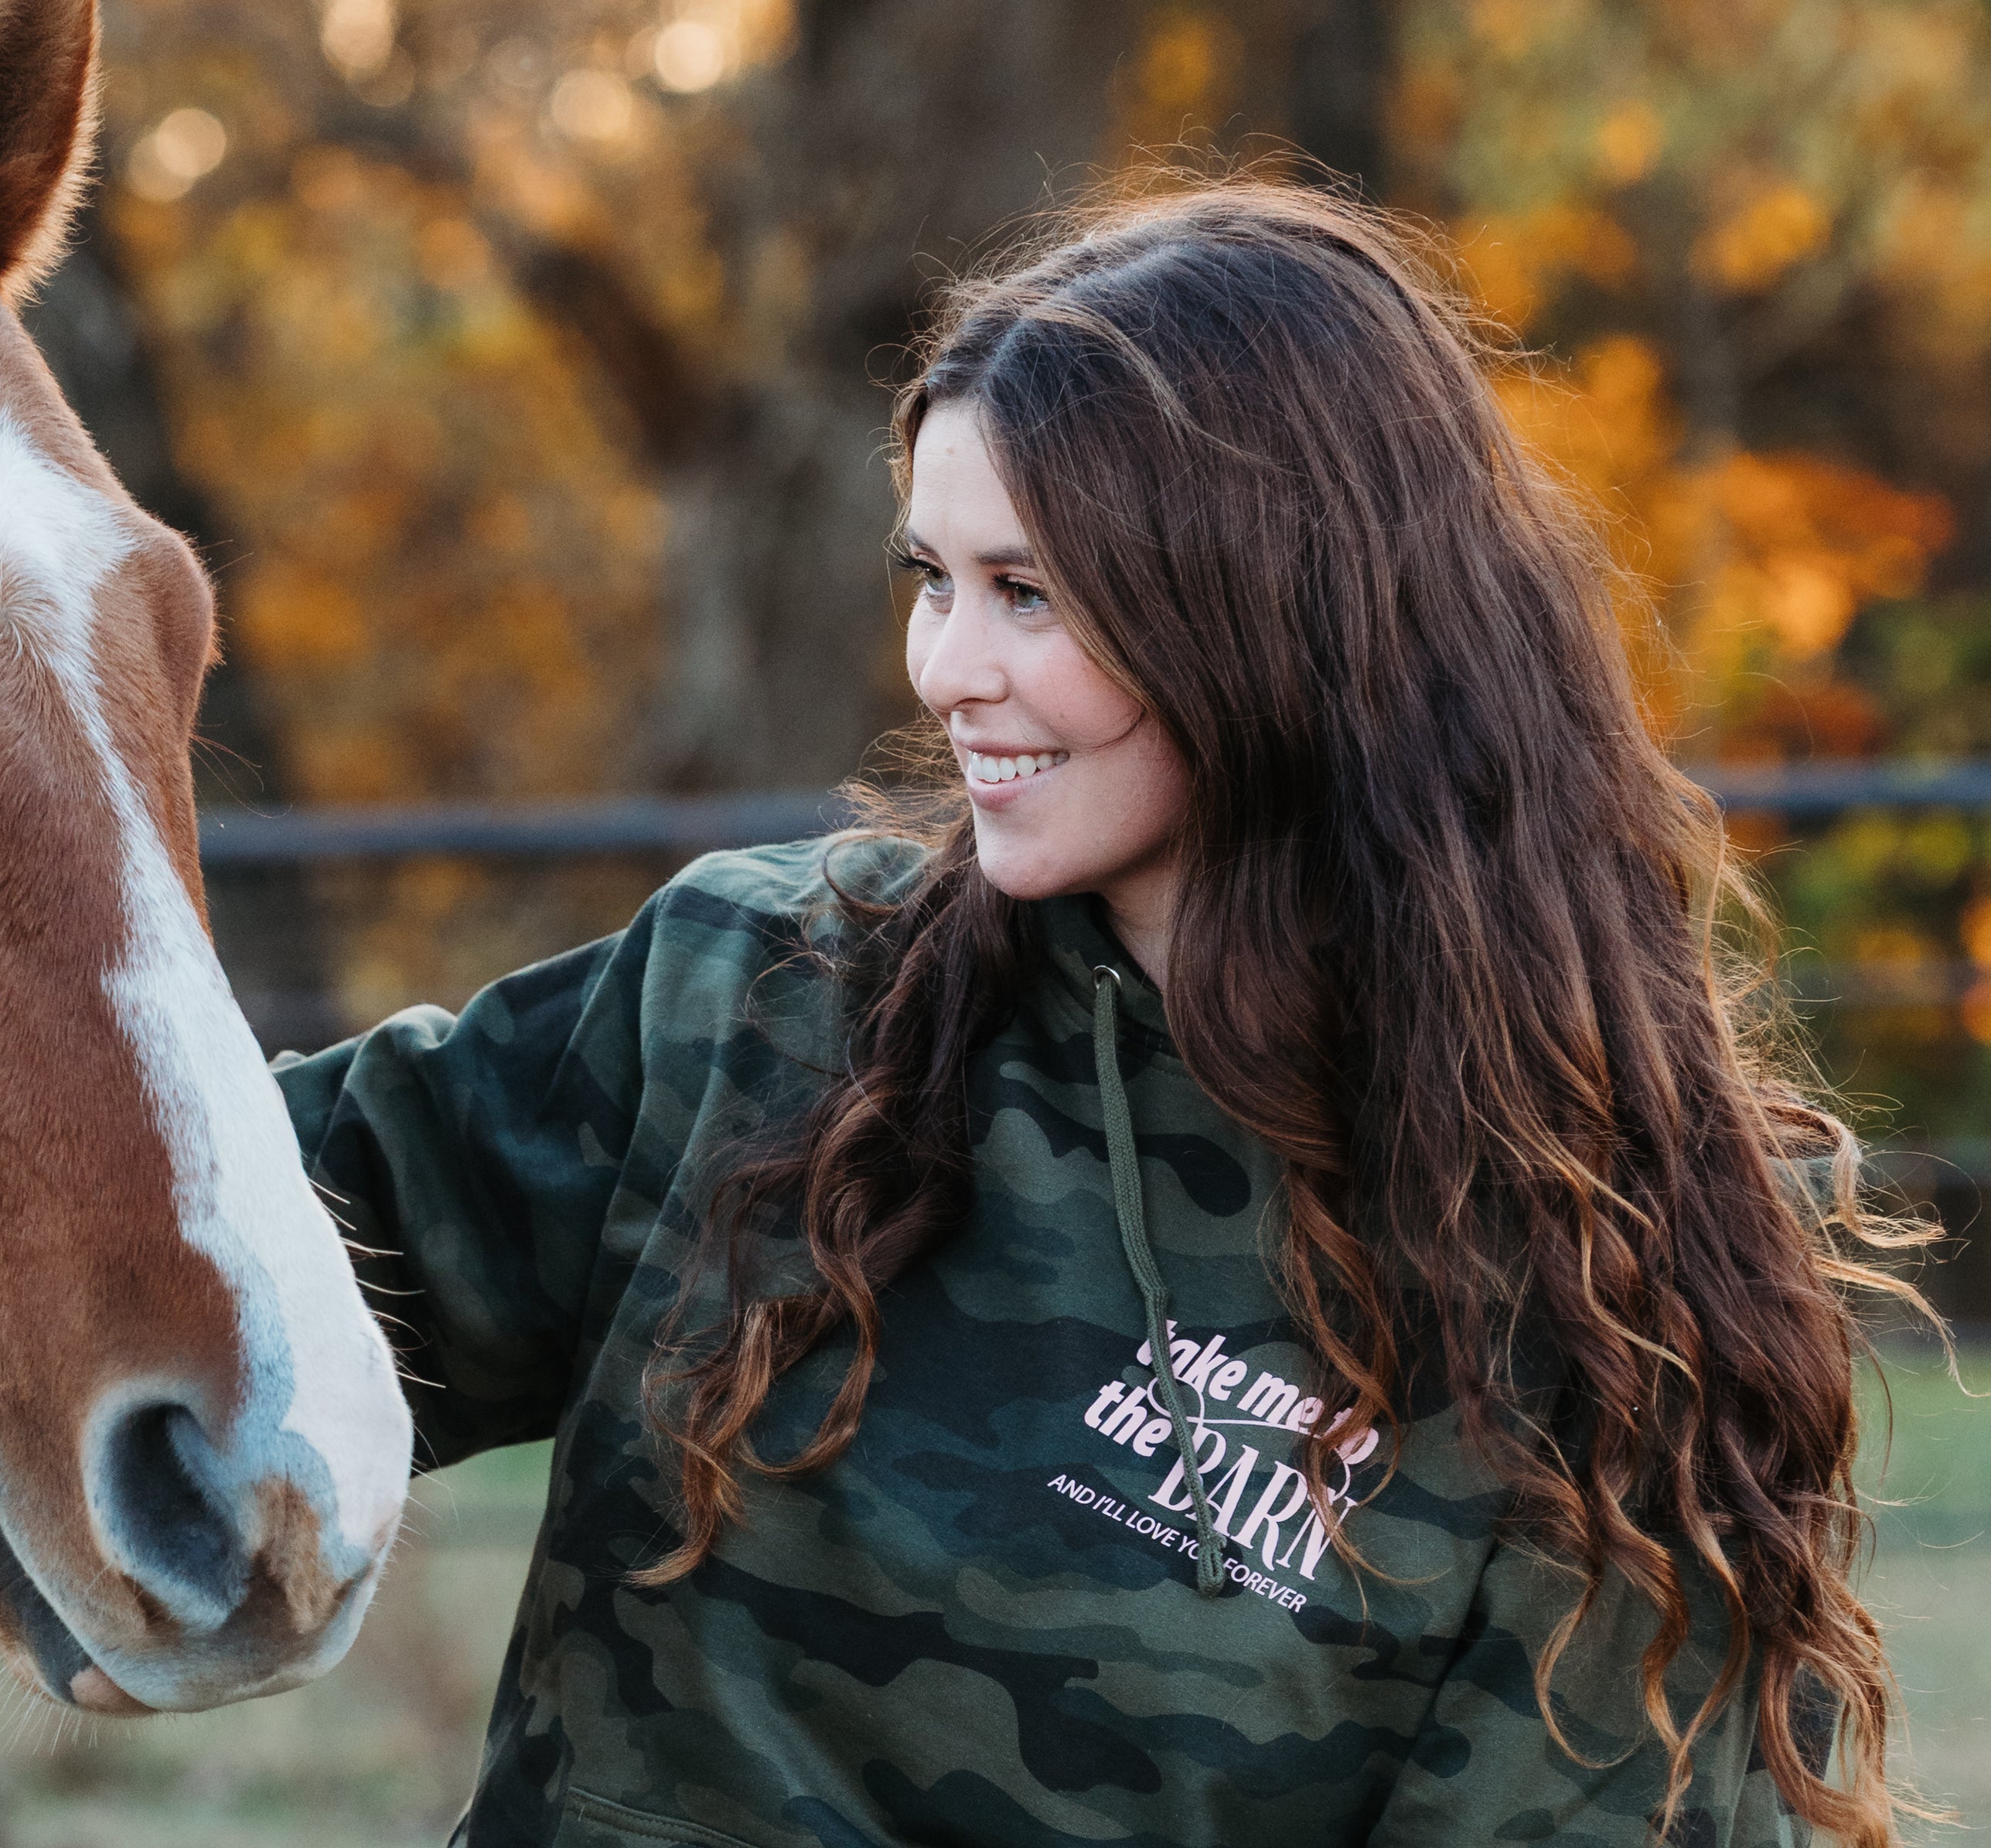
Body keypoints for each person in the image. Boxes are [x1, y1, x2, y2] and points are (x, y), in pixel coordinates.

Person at [271, 180, 1930, 1848]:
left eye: (1030, 592)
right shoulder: (749, 997)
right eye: (935, 574)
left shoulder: (1609, 1267)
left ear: (1271, 614)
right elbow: (157, 1251)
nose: (944, 667)